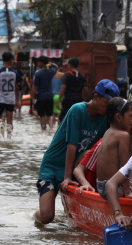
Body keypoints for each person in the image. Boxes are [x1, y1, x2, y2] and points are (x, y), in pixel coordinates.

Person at [34, 79, 120, 225]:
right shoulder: (77, 110)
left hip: (75, 167)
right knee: (46, 217)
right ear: (95, 97)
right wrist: (67, 177)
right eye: (105, 103)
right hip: (52, 167)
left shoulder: (105, 118)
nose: (107, 109)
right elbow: (72, 146)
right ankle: (34, 216)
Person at [95, 97, 132, 199]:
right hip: (114, 188)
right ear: (118, 117)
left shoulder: (107, 132)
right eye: (130, 116)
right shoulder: (123, 136)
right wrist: (127, 193)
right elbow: (124, 166)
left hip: (101, 186)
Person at [0, 51, 21, 137]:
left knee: (0, 119)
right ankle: (9, 136)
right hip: (11, 99)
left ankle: (1, 136)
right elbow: (16, 88)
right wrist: (18, 99)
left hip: (1, 98)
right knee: (10, 119)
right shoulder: (15, 73)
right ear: (10, 60)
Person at [31, 56, 58, 131]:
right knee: (49, 115)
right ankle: (51, 129)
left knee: (42, 115)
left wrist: (32, 97)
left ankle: (43, 130)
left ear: (42, 63)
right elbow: (57, 67)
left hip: (41, 97)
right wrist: (51, 64)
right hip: (50, 96)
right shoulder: (51, 72)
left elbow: (35, 87)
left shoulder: (38, 74)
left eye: (39, 62)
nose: (37, 63)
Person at [59, 57, 88, 123]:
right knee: (77, 118)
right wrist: (86, 101)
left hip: (68, 100)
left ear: (70, 65)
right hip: (79, 100)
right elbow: (86, 89)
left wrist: (59, 100)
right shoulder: (82, 76)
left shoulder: (67, 75)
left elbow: (63, 87)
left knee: (63, 119)